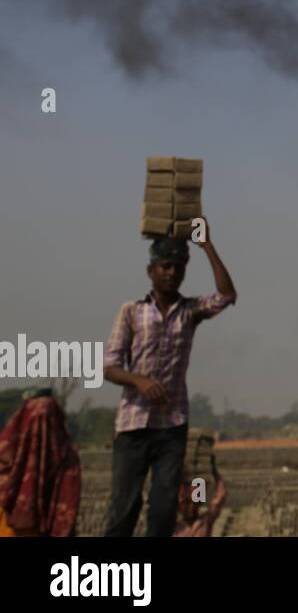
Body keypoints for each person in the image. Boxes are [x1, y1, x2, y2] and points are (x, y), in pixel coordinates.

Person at [102, 229, 236, 536]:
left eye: (178, 267)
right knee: (125, 507)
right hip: (133, 425)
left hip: (172, 426)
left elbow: (227, 295)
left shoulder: (190, 311)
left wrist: (206, 245)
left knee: (163, 509)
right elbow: (109, 367)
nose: (172, 273)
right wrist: (138, 380)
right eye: (166, 266)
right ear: (151, 271)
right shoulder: (131, 311)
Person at [0, 390, 81, 536]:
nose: (41, 430)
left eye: (46, 420)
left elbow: (68, 505)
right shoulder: (7, 457)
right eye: (36, 420)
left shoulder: (67, 460)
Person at [173, 457, 227, 537]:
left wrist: (214, 471)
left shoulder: (205, 521)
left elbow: (221, 497)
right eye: (187, 502)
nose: (191, 507)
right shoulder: (172, 523)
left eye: (195, 502)